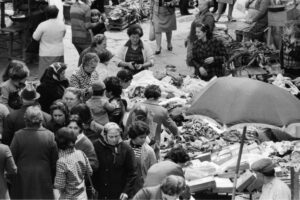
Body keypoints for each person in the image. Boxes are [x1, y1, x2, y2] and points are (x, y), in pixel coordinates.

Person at [10, 106, 58, 199]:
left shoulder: (18, 135)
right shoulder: (50, 136)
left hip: (22, 178)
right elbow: (54, 161)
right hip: (43, 176)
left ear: (25, 119)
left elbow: (12, 158)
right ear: (41, 119)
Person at [127, 85, 178, 159]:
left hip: (134, 142)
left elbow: (128, 124)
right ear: (158, 96)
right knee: (151, 165)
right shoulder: (162, 110)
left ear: (146, 95)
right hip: (152, 145)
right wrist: (177, 137)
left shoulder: (136, 106)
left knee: (135, 162)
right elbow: (173, 128)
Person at [92, 122, 138, 199]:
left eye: (117, 136)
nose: (114, 139)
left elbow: (132, 173)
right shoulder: (96, 146)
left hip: (119, 193)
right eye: (111, 137)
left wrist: (126, 191)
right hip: (100, 191)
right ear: (105, 135)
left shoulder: (126, 149)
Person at [54, 127, 93, 200]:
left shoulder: (61, 162)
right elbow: (90, 172)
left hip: (69, 197)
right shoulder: (81, 153)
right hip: (83, 195)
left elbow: (60, 186)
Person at [32, 5, 66, 78]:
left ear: (46, 14)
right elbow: (63, 35)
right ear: (57, 13)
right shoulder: (62, 24)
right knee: (58, 73)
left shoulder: (42, 25)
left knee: (44, 74)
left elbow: (35, 37)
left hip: (45, 52)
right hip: (58, 52)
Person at [125, 121, 157, 192]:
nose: (143, 139)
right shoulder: (124, 146)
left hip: (141, 186)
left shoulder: (149, 151)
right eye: (141, 137)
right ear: (133, 136)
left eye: (145, 137)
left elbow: (153, 171)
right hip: (125, 185)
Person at [186, 0, 215, 66]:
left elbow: (207, 31)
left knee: (198, 60)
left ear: (205, 6)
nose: (198, 6)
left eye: (200, 5)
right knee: (193, 59)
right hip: (194, 40)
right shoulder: (200, 13)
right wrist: (188, 37)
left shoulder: (209, 17)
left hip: (201, 43)